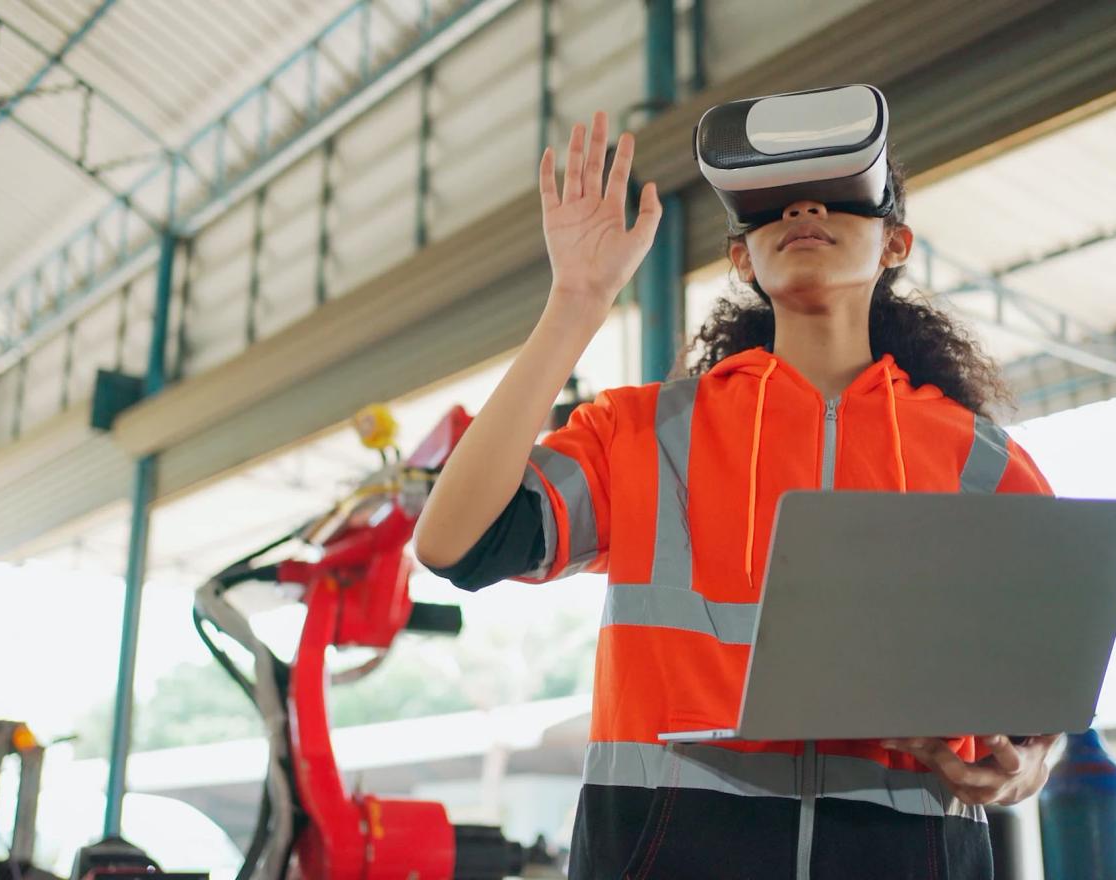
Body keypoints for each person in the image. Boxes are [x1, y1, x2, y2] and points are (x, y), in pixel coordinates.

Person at [414, 110, 1060, 879]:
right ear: (742, 258)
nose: (802, 210)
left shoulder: (979, 461)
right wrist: (577, 302)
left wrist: (1028, 768)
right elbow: (456, 542)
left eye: (836, 193)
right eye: (772, 204)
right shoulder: (645, 433)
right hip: (666, 851)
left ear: (895, 243)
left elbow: (1040, 695)